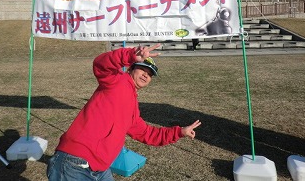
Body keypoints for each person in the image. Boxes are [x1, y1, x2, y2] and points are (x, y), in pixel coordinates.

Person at [47, 43, 202, 181]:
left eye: (150, 74)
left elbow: (147, 133)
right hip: (74, 162)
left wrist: (179, 132)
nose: (146, 75)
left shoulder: (132, 107)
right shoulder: (116, 81)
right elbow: (100, 65)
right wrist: (130, 55)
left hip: (100, 168)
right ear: (130, 68)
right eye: (142, 68)